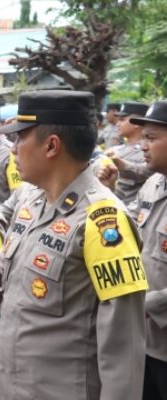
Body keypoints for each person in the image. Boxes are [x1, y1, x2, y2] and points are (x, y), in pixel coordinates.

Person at [0, 90, 147, 399]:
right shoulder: (28, 200)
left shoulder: (104, 221)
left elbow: (122, 349)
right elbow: (9, 292)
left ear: (51, 146)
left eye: (20, 139)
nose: (14, 150)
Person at [123, 101, 167, 400]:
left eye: (151, 138)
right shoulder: (152, 184)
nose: (142, 145)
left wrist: (149, 305)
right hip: (143, 342)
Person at [99, 101, 150, 205]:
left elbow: (149, 171)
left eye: (122, 120)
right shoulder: (117, 149)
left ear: (136, 123)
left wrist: (122, 164)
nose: (118, 124)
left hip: (132, 210)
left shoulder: (147, 149)